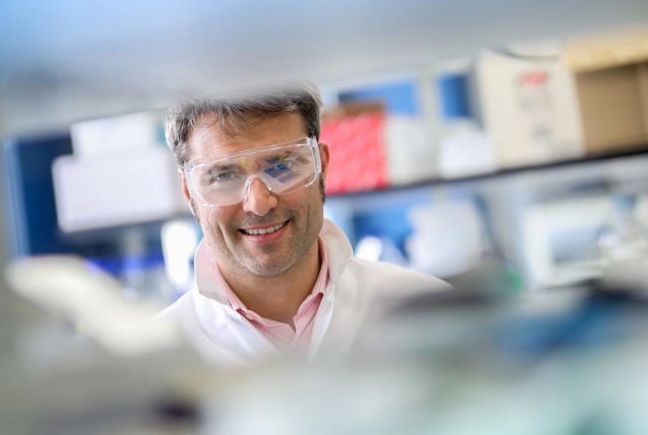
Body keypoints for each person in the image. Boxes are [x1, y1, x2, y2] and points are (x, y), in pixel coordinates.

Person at [159, 83, 450, 366]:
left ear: (321, 164)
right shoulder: (162, 355)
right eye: (224, 176)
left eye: (282, 166)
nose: (259, 203)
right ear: (188, 191)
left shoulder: (430, 311)